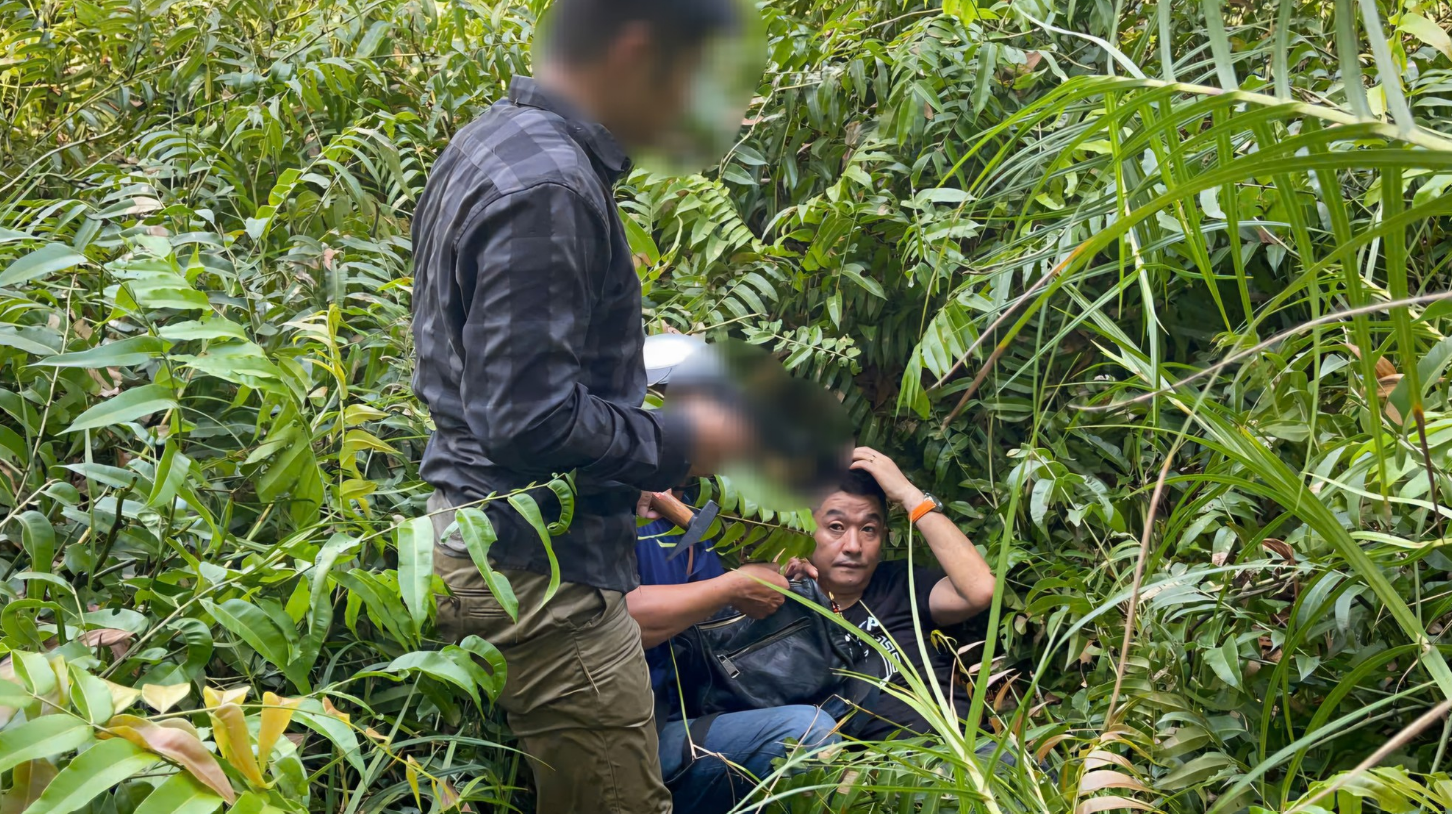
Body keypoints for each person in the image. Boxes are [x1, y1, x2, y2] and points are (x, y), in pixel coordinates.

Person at [410, 3, 749, 812]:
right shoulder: (552, 185)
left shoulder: (491, 142)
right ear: (636, 52)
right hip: (540, 578)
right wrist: (681, 439)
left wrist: (622, 469)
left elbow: (488, 383)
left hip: (481, 535)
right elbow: (525, 417)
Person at [628, 508, 839, 814]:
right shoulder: (616, 503)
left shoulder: (695, 506)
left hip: (691, 709)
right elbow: (609, 623)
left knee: (836, 702)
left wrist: (773, 580)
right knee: (806, 732)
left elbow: (710, 625)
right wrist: (733, 587)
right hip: (635, 732)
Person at [790, 447, 996, 740]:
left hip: (970, 754)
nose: (853, 545)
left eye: (868, 529)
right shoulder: (784, 608)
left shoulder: (901, 583)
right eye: (836, 527)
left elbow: (980, 589)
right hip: (879, 776)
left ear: (883, 537)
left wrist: (909, 495)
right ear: (802, 529)